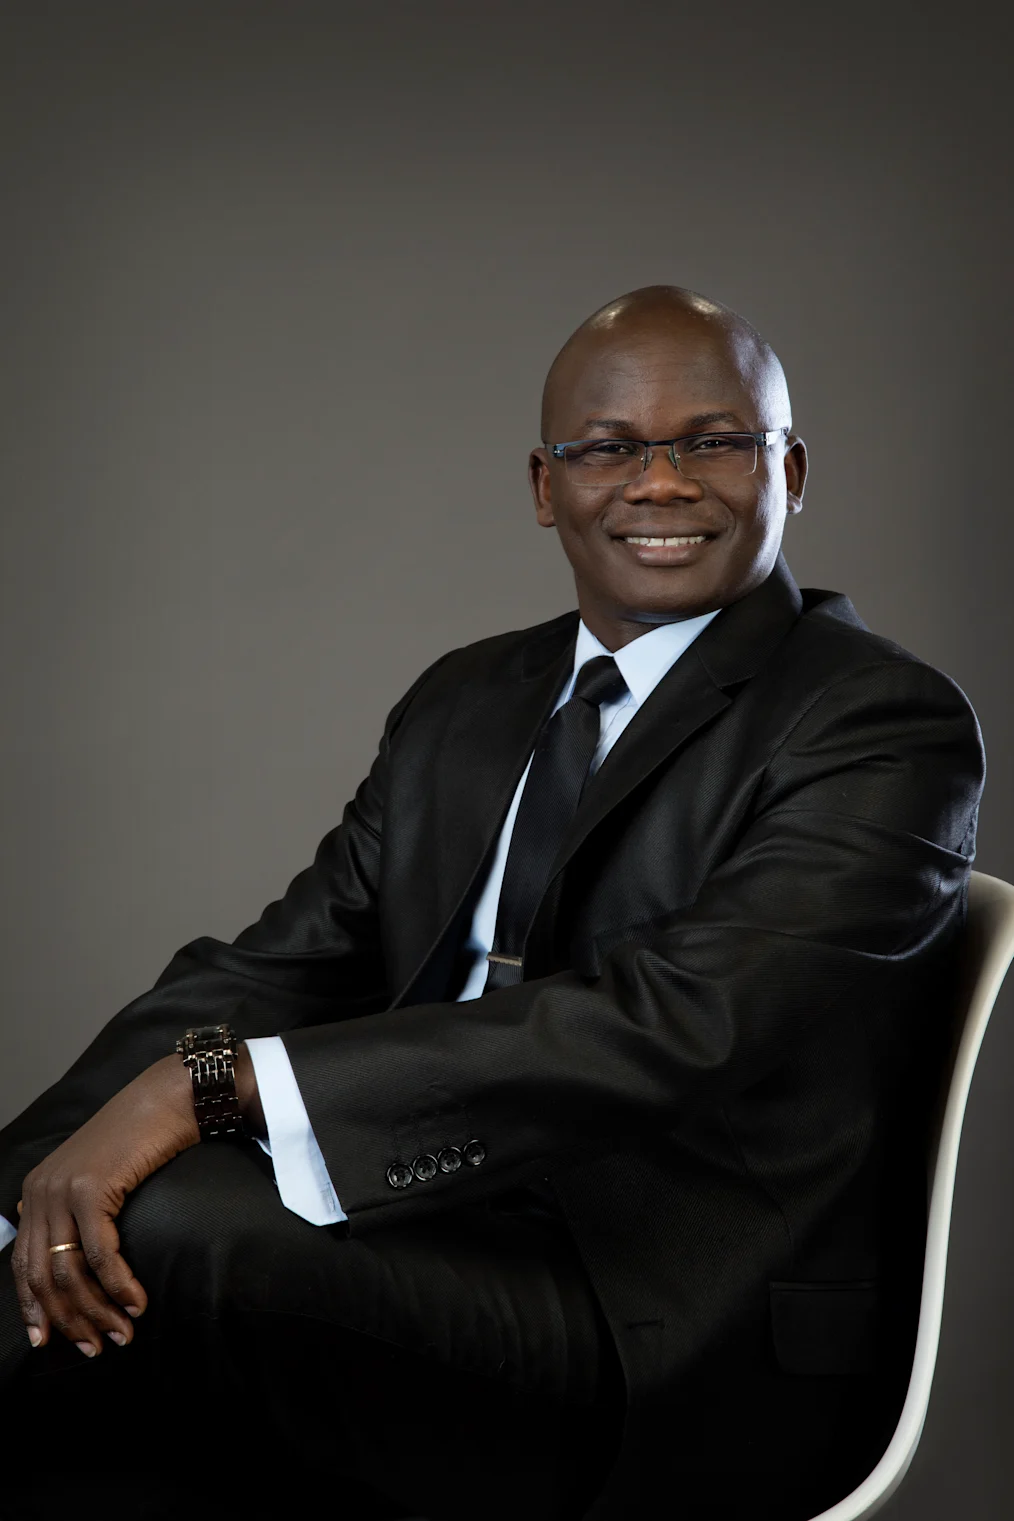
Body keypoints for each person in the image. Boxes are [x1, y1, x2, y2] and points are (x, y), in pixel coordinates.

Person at [0, 286, 984, 1521]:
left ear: (790, 469)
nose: (664, 481)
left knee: (176, 1229)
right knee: (77, 1263)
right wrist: (24, 1178)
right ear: (544, 484)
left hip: (670, 1323)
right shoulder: (471, 699)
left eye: (716, 441)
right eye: (611, 447)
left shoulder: (881, 722)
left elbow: (673, 1026)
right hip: (425, 1232)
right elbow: (280, 964)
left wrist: (208, 1086)